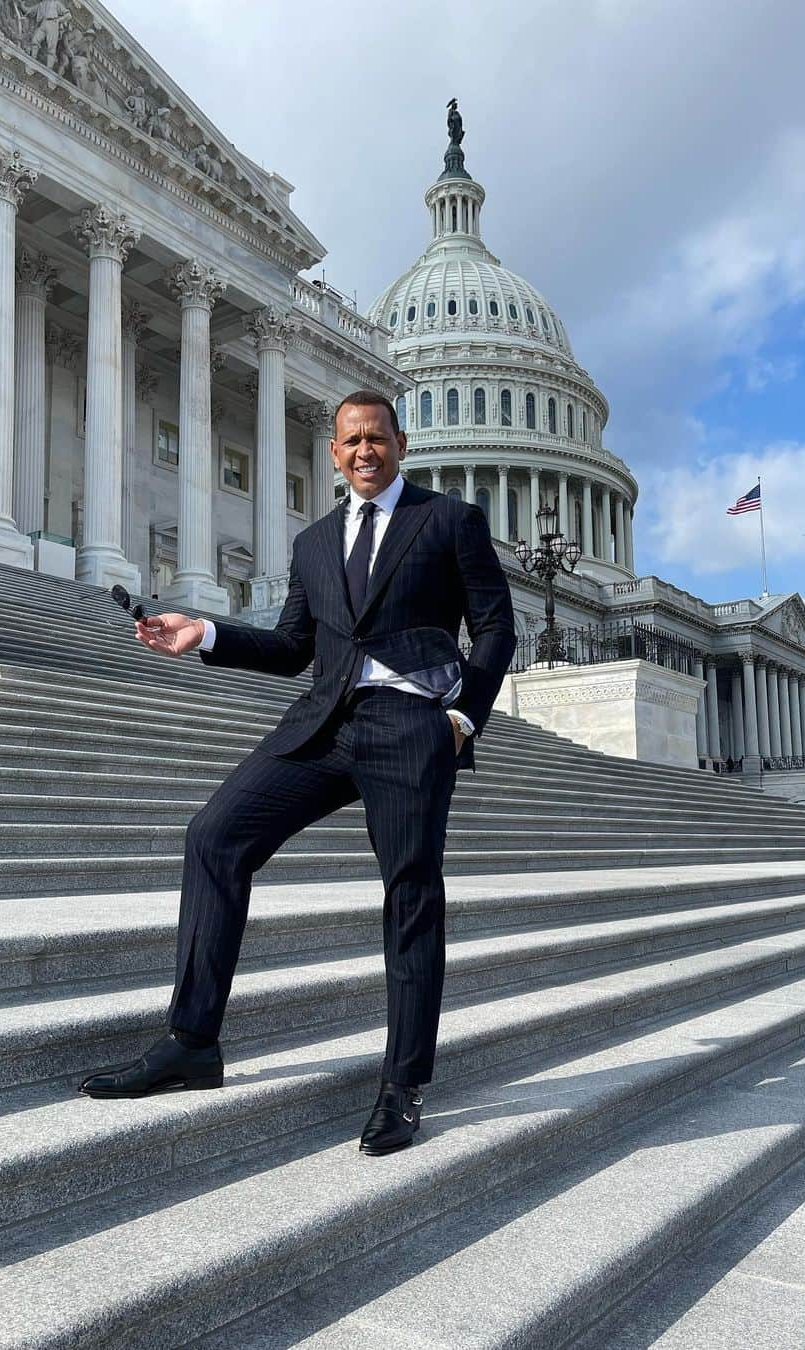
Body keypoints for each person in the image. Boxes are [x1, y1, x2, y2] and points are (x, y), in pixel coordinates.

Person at [80, 391, 516, 1157]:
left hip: (412, 725)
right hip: (325, 723)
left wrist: (460, 718)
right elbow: (290, 649)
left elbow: (495, 627)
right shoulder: (314, 541)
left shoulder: (448, 521)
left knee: (410, 892)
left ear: (400, 444)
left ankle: (403, 1084)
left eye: (376, 438)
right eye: (350, 441)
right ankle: (193, 1040)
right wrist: (204, 630)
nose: (363, 451)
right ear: (335, 453)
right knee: (215, 836)